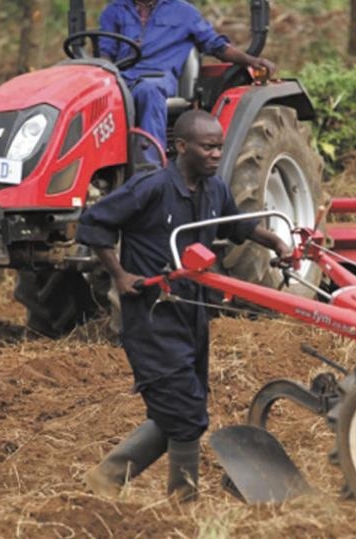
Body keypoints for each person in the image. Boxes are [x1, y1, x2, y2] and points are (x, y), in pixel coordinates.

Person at [77, 109, 291, 502]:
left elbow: (235, 224)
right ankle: (184, 501)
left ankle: (106, 479)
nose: (215, 154)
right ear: (181, 147)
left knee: (177, 408)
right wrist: (119, 274)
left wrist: (273, 240)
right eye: (208, 147)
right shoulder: (151, 187)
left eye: (219, 147)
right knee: (188, 412)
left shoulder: (215, 189)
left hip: (193, 312)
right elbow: (94, 223)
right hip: (151, 314)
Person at [99, 0, 277, 149]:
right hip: (122, 77)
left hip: (158, 76)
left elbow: (216, 46)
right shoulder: (115, 10)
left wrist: (251, 60)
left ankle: (150, 168)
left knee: (148, 91)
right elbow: (105, 51)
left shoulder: (183, 12)